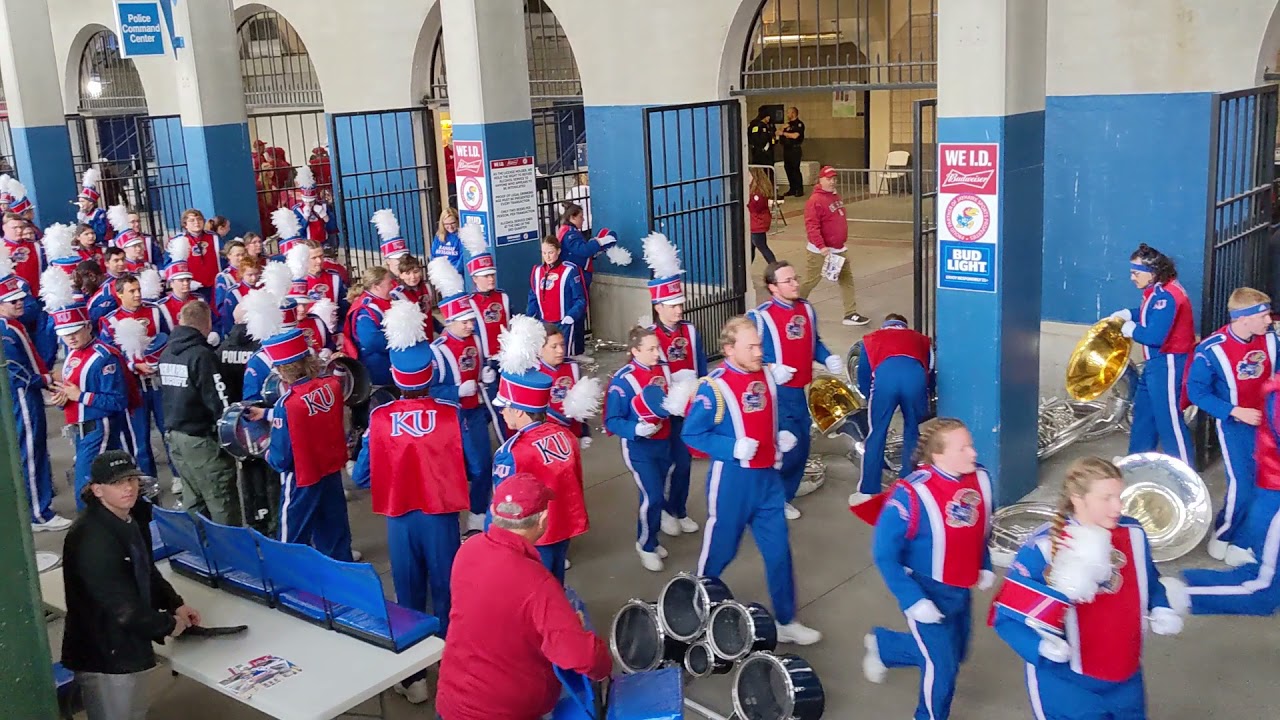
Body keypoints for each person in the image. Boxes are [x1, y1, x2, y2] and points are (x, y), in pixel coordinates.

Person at [992, 456, 1183, 719]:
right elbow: (1006, 618)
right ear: (1078, 498)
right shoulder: (1044, 548)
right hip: (1067, 685)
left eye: (1119, 496)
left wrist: (1162, 607)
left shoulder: (1134, 533)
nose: (1118, 506)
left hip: (1126, 677)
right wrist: (1039, 648)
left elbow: (1148, 580)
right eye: (1106, 498)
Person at [352, 299, 466, 704]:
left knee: (409, 596)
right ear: (430, 375)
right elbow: (470, 465)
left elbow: (360, 476)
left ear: (397, 379)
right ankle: (455, 669)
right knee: (448, 592)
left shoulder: (380, 421)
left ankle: (414, 676)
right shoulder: (451, 414)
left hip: (400, 519)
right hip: (441, 518)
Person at [682, 316, 820, 644]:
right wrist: (732, 447)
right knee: (720, 551)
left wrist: (779, 437)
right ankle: (694, 609)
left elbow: (764, 417)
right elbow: (692, 434)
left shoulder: (768, 376)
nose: (760, 351)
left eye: (760, 344)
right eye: (752, 346)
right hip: (732, 483)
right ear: (729, 350)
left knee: (779, 552)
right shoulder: (714, 386)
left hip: (768, 482)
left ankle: (786, 619)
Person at [435, 473, 612, 720]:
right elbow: (583, 657)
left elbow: (495, 614)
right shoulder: (538, 584)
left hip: (451, 701)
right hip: (507, 711)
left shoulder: (468, 551)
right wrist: (595, 652)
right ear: (543, 519)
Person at [861, 418, 995, 720]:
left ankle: (886, 646)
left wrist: (983, 563)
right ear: (938, 456)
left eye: (971, 445)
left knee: (956, 653)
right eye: (963, 449)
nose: (973, 453)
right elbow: (884, 554)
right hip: (926, 589)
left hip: (961, 588)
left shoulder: (980, 478)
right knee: (942, 668)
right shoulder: (910, 494)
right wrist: (913, 600)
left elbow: (980, 528)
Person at [61, 451, 200, 720]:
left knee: (134, 711)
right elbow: (122, 608)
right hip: (105, 656)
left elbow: (144, 569)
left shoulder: (124, 518)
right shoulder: (92, 539)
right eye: (117, 483)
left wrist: (176, 603)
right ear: (97, 490)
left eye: (131, 479)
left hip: (124, 647)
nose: (128, 488)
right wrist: (169, 625)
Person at [490, 315, 590, 584]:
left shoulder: (511, 452)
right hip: (562, 527)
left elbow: (503, 505)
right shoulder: (565, 435)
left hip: (532, 535)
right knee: (556, 583)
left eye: (505, 406)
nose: (502, 412)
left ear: (520, 410)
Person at [1185, 287, 1275, 565]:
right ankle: (1223, 534)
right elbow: (1196, 392)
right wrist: (1234, 411)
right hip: (1235, 426)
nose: (1269, 320)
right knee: (1243, 485)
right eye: (1263, 315)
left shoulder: (1271, 340)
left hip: (1270, 424)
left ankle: (1246, 539)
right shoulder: (1211, 350)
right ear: (1243, 318)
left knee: (1267, 486)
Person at [749, 261, 844, 518]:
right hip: (775, 394)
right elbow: (744, 357)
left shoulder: (806, 309)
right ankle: (772, 497)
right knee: (785, 448)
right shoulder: (759, 317)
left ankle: (782, 494)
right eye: (787, 281)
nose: (795, 284)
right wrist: (770, 367)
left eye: (795, 278)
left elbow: (814, 343)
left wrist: (827, 357)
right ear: (772, 287)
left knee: (801, 446)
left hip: (799, 391)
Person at [1182, 371, 1280, 615]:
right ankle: (1170, 596)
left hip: (1271, 497)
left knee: (1262, 574)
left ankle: (1185, 584)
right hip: (1275, 501)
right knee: (1262, 592)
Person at [264, 328, 354, 560]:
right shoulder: (332, 385)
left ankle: (292, 584)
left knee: (292, 536)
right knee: (335, 532)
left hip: (302, 476)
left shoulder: (286, 403)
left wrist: (266, 452)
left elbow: (281, 457)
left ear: (282, 370)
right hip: (331, 469)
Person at [1108, 242, 1196, 467]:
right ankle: (1136, 463)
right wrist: (1129, 314)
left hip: (1168, 363)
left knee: (1169, 421)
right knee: (1144, 414)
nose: (1132, 278)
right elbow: (1149, 313)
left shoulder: (1167, 297)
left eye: (1136, 273)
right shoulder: (1160, 291)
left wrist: (1130, 328)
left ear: (1152, 273)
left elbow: (1155, 336)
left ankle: (1185, 472)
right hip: (1156, 363)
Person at [643, 231, 706, 536]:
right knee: (665, 465)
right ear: (658, 307)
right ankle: (665, 510)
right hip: (662, 411)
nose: (679, 310)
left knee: (684, 463)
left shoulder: (691, 331)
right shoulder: (649, 337)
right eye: (672, 305)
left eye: (680, 304)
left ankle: (678, 509)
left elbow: (701, 367)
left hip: (689, 407)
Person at [157, 300, 239, 525]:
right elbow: (219, 400)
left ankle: (200, 553)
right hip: (202, 441)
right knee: (221, 502)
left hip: (175, 438)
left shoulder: (166, 354)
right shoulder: (202, 356)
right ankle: (231, 557)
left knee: (193, 501)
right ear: (207, 324)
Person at [47, 301, 133, 510]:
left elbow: (118, 400)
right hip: (80, 428)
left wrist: (80, 396)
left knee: (86, 485)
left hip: (97, 426)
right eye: (66, 334)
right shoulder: (72, 355)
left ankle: (90, 528)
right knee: (103, 480)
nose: (71, 338)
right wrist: (62, 400)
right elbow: (71, 394)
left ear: (87, 326)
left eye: (75, 331)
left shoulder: (104, 357)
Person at [428, 257, 492, 532]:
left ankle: (477, 517)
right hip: (451, 419)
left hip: (475, 414)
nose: (470, 325)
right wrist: (456, 391)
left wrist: (484, 377)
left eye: (471, 320)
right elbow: (429, 390)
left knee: (481, 467)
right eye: (464, 321)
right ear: (450, 320)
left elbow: (479, 367)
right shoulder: (438, 350)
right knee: (452, 473)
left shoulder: (476, 339)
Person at [1, 274, 68, 530]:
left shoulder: (11, 324)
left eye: (19, 299)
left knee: (34, 449)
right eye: (12, 301)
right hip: (22, 397)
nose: (20, 303)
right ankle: (38, 514)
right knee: (29, 451)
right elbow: (17, 373)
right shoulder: (4, 330)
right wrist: (46, 378)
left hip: (27, 394)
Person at [606, 326, 676, 571]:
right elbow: (612, 420)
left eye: (657, 347)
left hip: (665, 442)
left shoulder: (663, 368)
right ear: (635, 351)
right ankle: (645, 544)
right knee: (653, 496)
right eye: (651, 349)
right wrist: (635, 429)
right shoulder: (623, 381)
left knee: (656, 494)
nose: (657, 353)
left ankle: (653, 536)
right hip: (639, 449)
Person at [98, 275, 175, 480]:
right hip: (134, 387)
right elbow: (110, 356)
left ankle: (178, 476)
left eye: (138, 289)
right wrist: (133, 365)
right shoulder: (109, 321)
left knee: (169, 431)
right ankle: (147, 480)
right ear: (119, 294)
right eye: (131, 291)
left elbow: (169, 339)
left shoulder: (155, 311)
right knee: (140, 438)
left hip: (159, 382)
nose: (137, 294)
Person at [852, 314, 935, 502]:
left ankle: (867, 489)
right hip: (915, 379)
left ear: (885, 325)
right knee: (912, 431)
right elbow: (929, 371)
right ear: (904, 326)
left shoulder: (870, 339)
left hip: (885, 379)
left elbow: (863, 376)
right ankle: (909, 484)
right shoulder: (922, 340)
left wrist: (871, 397)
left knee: (877, 433)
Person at [798, 166, 867, 326]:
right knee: (811, 280)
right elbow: (812, 226)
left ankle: (850, 313)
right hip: (822, 250)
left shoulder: (834, 197)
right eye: (829, 179)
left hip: (838, 248)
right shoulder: (815, 201)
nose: (832, 182)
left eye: (834, 179)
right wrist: (822, 247)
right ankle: (792, 306)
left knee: (846, 279)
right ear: (820, 180)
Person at [462, 227, 511, 437]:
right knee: (496, 409)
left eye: (492, 274)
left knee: (510, 405)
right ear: (475, 279)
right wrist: (479, 367)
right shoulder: (469, 304)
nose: (491, 279)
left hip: (507, 361)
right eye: (485, 276)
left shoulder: (504, 298)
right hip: (486, 364)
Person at [528, 235, 587, 358]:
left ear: (558, 251)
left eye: (551, 252)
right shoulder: (537, 271)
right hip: (544, 323)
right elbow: (533, 297)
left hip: (563, 323)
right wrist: (529, 318)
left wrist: (571, 316)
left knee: (564, 356)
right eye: (544, 253)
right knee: (546, 357)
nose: (547, 257)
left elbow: (580, 299)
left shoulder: (569, 270)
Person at [340, 265, 396, 386]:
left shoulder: (384, 301)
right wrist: (401, 337)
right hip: (377, 370)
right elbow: (371, 341)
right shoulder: (365, 310)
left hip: (389, 363)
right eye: (389, 284)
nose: (392, 287)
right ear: (376, 286)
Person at [556, 202, 617, 292]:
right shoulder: (569, 234)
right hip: (576, 275)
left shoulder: (568, 231)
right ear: (572, 217)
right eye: (580, 217)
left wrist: (595, 252)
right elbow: (582, 250)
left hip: (576, 273)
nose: (583, 219)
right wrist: (599, 242)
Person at [168, 209, 221, 304]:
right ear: (185, 224)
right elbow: (169, 266)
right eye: (192, 220)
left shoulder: (214, 237)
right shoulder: (177, 241)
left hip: (214, 286)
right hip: (192, 288)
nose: (196, 222)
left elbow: (224, 259)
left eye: (199, 219)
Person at [291, 166, 338, 249]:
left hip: (324, 242)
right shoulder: (297, 210)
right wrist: (305, 217)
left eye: (311, 201)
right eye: (306, 201)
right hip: (306, 244)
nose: (309, 204)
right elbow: (298, 232)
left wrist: (325, 216)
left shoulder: (323, 206)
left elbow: (333, 228)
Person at [75, 169, 113, 244]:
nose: (80, 204)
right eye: (80, 201)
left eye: (83, 201)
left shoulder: (99, 214)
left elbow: (100, 232)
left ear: (91, 203)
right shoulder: (82, 214)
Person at [748, 167, 777, 264]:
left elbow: (755, 207)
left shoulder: (757, 193)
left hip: (757, 224)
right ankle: (747, 268)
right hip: (755, 222)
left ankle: (774, 267)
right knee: (750, 248)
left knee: (762, 247)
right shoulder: (755, 190)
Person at [778, 106, 806, 197]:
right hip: (787, 149)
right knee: (788, 169)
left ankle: (799, 189)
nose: (787, 114)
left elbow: (795, 136)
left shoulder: (799, 124)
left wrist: (784, 134)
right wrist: (782, 128)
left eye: (788, 112)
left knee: (795, 169)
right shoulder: (787, 125)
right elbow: (778, 134)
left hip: (795, 149)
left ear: (793, 113)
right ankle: (792, 188)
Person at [431, 207, 466, 277]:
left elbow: (462, 259)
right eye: (446, 224)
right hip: (440, 276)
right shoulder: (438, 236)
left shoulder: (462, 236)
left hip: (456, 276)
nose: (450, 226)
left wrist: (453, 274)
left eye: (452, 223)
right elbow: (433, 256)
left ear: (457, 221)